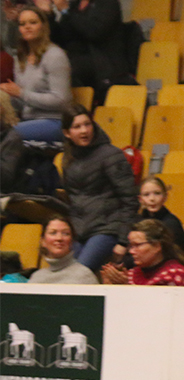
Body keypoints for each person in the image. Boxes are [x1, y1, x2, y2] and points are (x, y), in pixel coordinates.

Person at [60, 105, 138, 273]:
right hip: (79, 232)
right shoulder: (68, 158)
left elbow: (130, 199)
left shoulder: (111, 155)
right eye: (77, 126)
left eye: (87, 124)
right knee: (64, 275)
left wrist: (123, 242)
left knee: (78, 274)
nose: (84, 130)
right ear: (67, 133)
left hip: (107, 229)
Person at [51, 0, 133, 104]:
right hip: (80, 66)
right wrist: (48, 15)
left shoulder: (108, 0)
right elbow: (61, 39)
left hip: (104, 67)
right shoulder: (75, 3)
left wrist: (65, 11)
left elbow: (93, 32)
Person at [0, 6, 71, 146]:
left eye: (33, 22)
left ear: (43, 26)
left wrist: (20, 93)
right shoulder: (21, 58)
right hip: (28, 120)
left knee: (8, 137)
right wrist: (6, 97)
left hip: (54, 121)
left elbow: (61, 100)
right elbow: (23, 102)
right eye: (23, 24)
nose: (27, 27)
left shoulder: (55, 55)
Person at [100, 219, 184, 286]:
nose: (131, 251)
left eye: (137, 245)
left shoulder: (177, 275)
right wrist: (110, 287)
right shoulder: (131, 274)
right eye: (130, 246)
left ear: (157, 246)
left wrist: (127, 290)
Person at [27, 215, 99, 285]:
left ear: (72, 241)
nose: (59, 238)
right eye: (53, 233)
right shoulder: (36, 278)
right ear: (43, 241)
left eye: (65, 233)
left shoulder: (84, 275)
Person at [138, 175, 184, 254]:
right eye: (146, 195)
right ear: (140, 199)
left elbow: (173, 254)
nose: (152, 199)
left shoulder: (171, 224)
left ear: (165, 197)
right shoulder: (137, 221)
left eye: (157, 193)